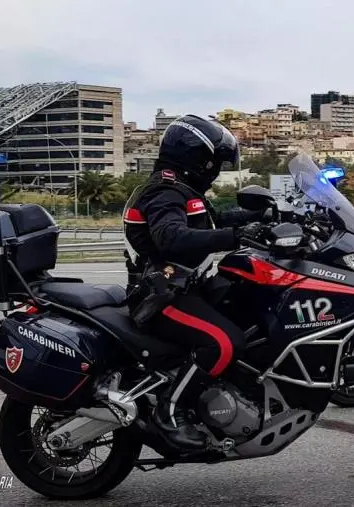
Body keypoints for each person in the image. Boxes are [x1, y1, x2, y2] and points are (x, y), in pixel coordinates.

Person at [122, 114, 267, 449]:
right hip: (160, 295)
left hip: (186, 286)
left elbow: (213, 220)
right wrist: (235, 236)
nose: (215, 170)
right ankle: (170, 411)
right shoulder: (163, 192)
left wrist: (266, 216)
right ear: (197, 157)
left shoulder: (183, 191)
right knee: (224, 342)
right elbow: (171, 238)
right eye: (213, 163)